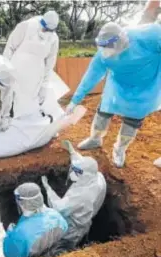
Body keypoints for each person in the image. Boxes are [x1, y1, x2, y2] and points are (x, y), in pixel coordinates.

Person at [66, 22, 161, 168]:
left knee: (133, 119)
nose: (106, 53)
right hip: (117, 85)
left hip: (145, 87)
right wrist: (75, 100)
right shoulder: (103, 55)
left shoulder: (149, 36)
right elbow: (90, 76)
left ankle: (120, 149)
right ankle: (95, 138)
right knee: (104, 110)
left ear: (121, 42)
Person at [41, 141, 107, 255]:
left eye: (77, 172)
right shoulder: (97, 177)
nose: (73, 173)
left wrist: (48, 189)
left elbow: (59, 208)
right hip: (85, 220)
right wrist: (72, 152)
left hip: (73, 228)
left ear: (84, 175)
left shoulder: (82, 195)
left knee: (62, 246)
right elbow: (84, 166)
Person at [3, 11, 63, 119]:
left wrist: (44, 85)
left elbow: (50, 63)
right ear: (42, 22)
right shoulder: (26, 26)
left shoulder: (54, 38)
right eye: (45, 28)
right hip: (18, 69)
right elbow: (10, 47)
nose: (46, 32)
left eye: (50, 30)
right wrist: (4, 69)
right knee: (18, 101)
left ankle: (36, 125)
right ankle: (18, 123)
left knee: (37, 102)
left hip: (36, 75)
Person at [3, 183, 68, 257]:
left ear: (21, 202)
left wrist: (8, 235)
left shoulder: (19, 234)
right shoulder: (56, 215)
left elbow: (10, 255)